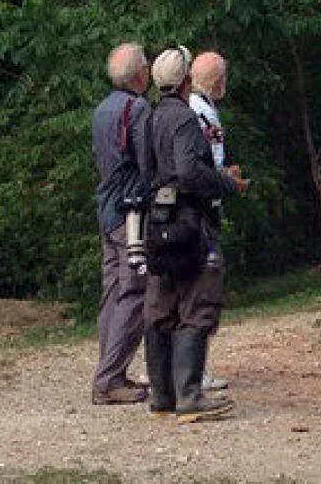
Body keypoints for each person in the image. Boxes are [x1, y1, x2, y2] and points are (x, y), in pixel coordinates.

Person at [142, 46, 248, 423]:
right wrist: (224, 183)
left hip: (157, 218)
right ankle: (189, 395)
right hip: (189, 219)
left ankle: (162, 396)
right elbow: (188, 172)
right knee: (197, 303)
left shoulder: (150, 117)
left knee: (160, 306)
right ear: (186, 80)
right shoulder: (185, 119)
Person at [90, 43, 153, 406]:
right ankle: (110, 377)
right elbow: (147, 159)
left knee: (112, 291)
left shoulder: (102, 109)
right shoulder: (138, 108)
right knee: (135, 291)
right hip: (131, 212)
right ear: (140, 74)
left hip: (106, 208)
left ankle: (108, 369)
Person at [187, 50, 233, 394]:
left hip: (202, 204)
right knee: (203, 289)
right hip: (204, 208)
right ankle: (195, 369)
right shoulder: (201, 113)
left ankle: (193, 366)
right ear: (217, 81)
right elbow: (208, 163)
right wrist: (226, 181)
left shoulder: (199, 107)